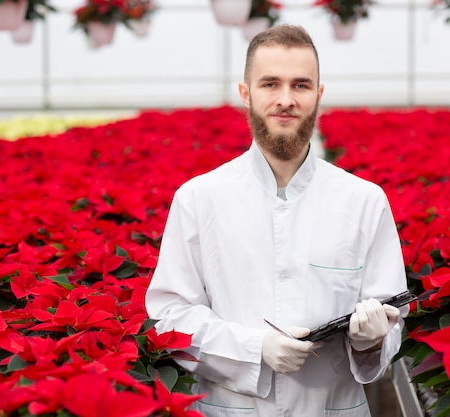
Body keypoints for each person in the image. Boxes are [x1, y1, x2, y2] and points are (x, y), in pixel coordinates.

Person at [145, 24, 408, 417]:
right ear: (246, 93)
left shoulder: (364, 200)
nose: (286, 99)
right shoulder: (199, 198)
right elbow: (170, 316)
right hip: (228, 408)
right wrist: (254, 348)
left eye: (301, 85)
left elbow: (390, 320)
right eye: (271, 84)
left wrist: (372, 340)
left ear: (318, 96)